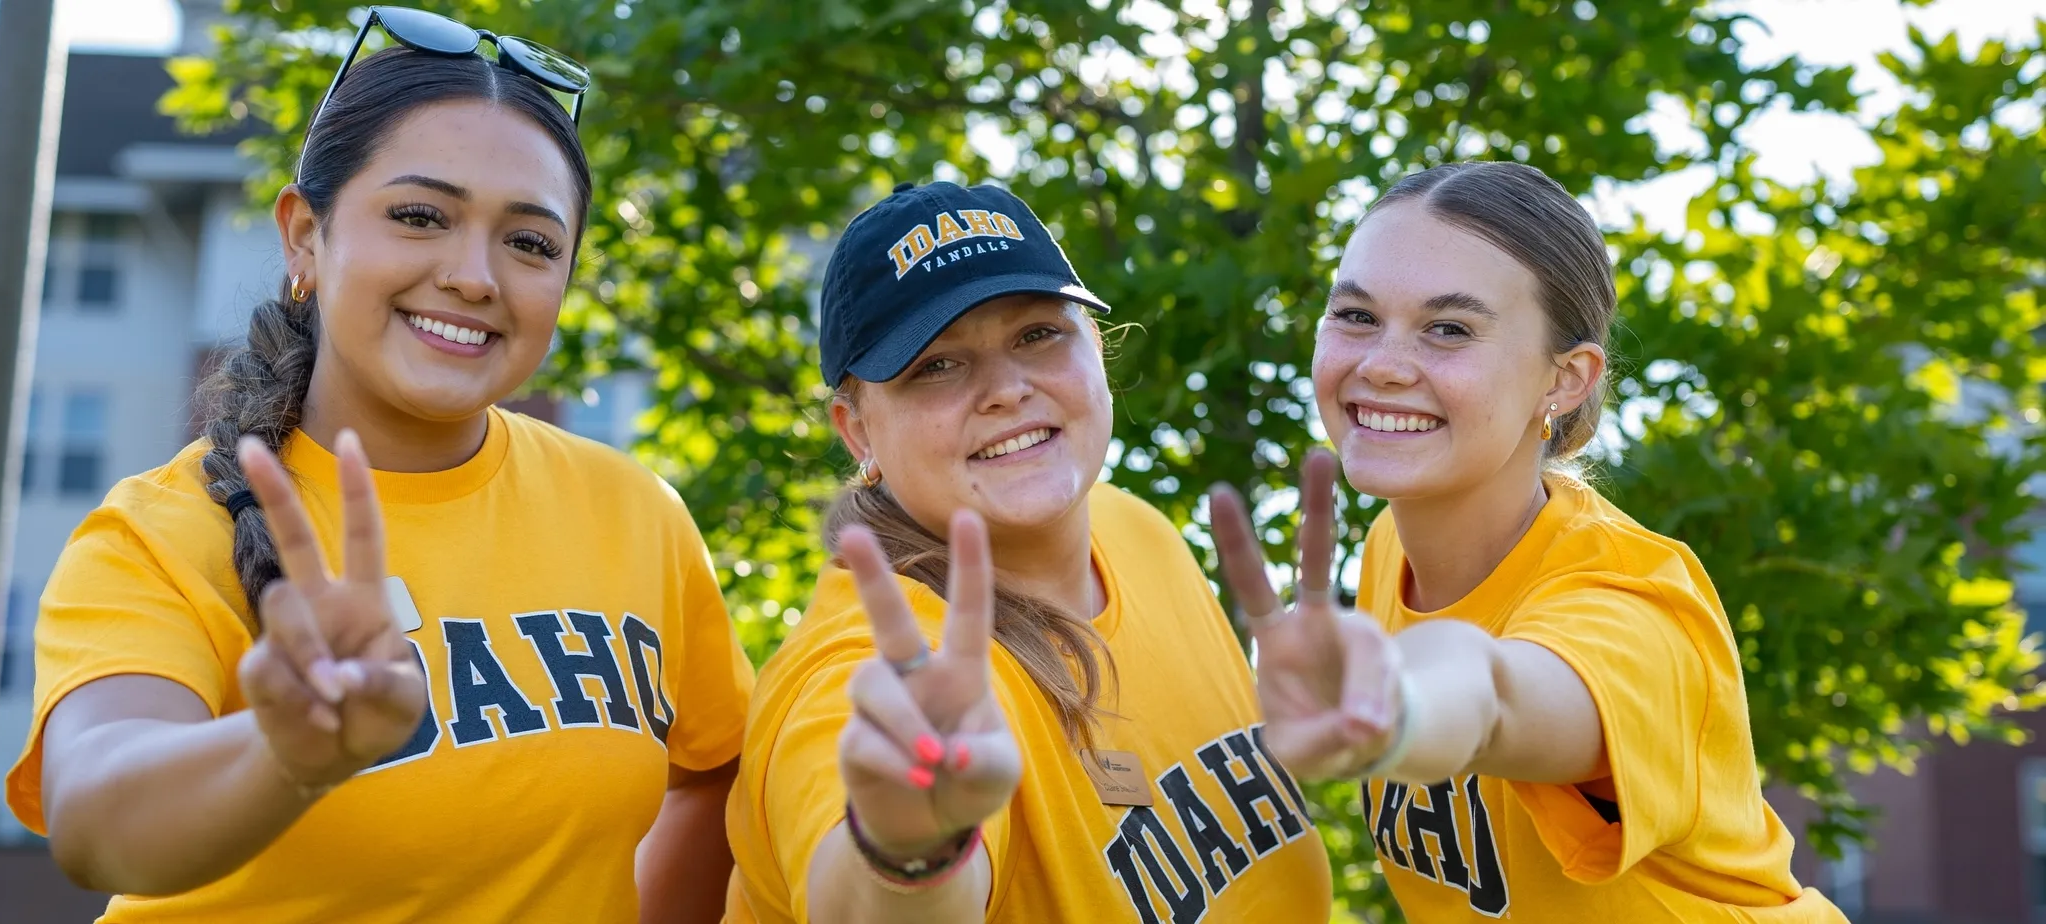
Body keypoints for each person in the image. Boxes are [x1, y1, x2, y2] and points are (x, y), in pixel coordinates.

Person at [5, 10, 751, 922]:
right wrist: (283, 755)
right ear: (302, 237)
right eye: (418, 216)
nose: (475, 275)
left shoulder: (633, 510)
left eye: (530, 242)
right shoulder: (161, 533)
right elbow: (94, 820)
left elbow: (714, 773)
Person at [1206, 161, 1845, 921]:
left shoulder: (1634, 603)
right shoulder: (1390, 550)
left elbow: (1498, 694)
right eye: (1355, 316)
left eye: (1449, 329)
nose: (1380, 365)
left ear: (1566, 380)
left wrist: (1399, 706)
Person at [723, 180, 1334, 924]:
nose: (1007, 389)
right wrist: (908, 850)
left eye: (1037, 334)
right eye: (936, 366)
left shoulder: (1137, 534)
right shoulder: (865, 671)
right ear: (857, 431)